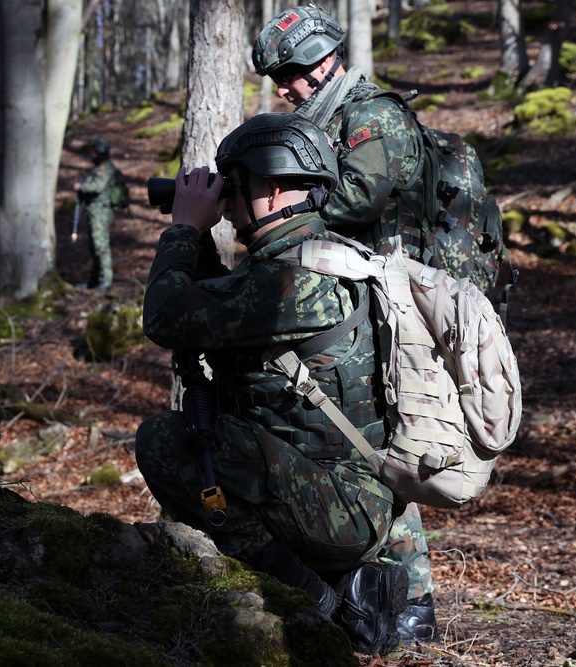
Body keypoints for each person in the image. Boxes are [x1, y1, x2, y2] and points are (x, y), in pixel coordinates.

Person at [135, 113, 408, 656]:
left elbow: (167, 316)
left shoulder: (293, 280)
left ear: (274, 186)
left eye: (232, 186)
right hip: (348, 495)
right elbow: (224, 309)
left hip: (342, 509)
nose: (227, 201)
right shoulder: (323, 258)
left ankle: (315, 602)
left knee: (165, 441)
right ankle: (329, 587)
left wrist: (186, 229)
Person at [251, 4, 439, 643]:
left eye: (291, 74)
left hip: (389, 310)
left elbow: (361, 197)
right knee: (357, 448)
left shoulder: (372, 114)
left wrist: (286, 198)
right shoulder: (327, 115)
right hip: (349, 306)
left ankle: (409, 611)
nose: (284, 87)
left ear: (321, 60)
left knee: (386, 451)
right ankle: (376, 604)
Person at [74, 137, 117, 291]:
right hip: (95, 211)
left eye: (93, 151)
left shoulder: (105, 169)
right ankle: (94, 281)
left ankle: (106, 281)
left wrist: (82, 187)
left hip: (100, 212)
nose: (91, 154)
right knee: (94, 248)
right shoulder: (99, 168)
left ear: (99, 152)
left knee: (101, 247)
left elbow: (97, 187)